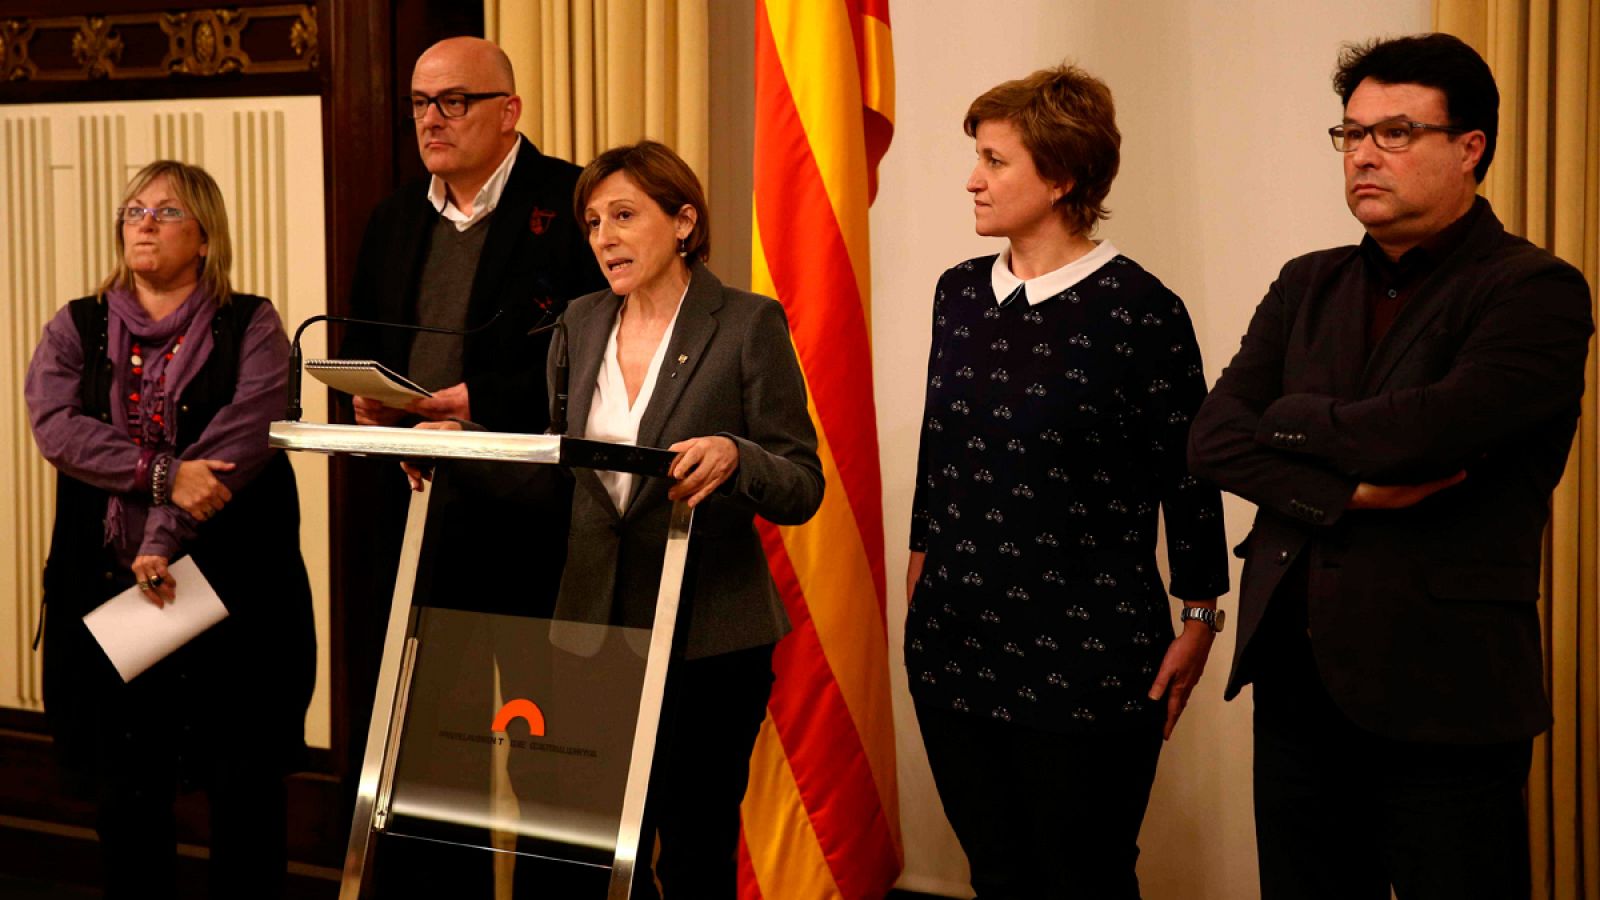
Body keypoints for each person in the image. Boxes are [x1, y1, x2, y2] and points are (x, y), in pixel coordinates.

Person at [1188, 33, 1593, 900]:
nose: (1364, 154)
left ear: (1470, 148)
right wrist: (1348, 489)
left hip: (1442, 691)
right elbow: (1213, 437)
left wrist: (1290, 419)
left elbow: (1428, 433)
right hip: (1295, 684)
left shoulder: (1534, 290)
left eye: (1396, 133)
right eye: (1351, 134)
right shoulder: (1309, 283)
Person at [414, 140, 823, 898]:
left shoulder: (745, 323)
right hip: (588, 631)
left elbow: (801, 482)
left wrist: (737, 455)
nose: (603, 237)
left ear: (684, 222)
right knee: (581, 850)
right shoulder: (579, 322)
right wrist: (465, 452)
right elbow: (564, 481)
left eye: (625, 216)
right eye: (594, 220)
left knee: (693, 852)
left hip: (708, 636)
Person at [904, 65, 1230, 899]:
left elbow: (1189, 476)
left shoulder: (1141, 309)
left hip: (1088, 654)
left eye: (996, 160)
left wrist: (1198, 613)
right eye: (976, 157)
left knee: (1082, 878)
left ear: (1064, 177)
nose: (973, 179)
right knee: (999, 876)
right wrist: (921, 566)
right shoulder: (959, 295)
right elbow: (939, 449)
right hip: (955, 645)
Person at [25, 160, 315, 899]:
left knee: (243, 797)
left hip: (231, 593)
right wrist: (160, 478)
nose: (144, 224)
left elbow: (238, 441)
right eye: (133, 211)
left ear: (207, 236)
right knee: (128, 800)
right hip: (111, 593)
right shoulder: (77, 326)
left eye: (166, 212)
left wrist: (161, 536)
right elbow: (57, 429)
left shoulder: (253, 323)